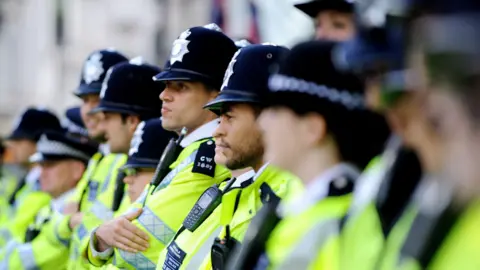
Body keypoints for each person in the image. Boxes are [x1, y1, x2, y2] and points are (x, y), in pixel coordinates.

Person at [85, 24, 236, 269]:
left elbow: (135, 252)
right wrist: (100, 236)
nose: (163, 96)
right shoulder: (184, 148)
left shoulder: (210, 157)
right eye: (166, 85)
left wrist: (99, 239)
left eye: (181, 87)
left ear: (215, 95)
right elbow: (117, 233)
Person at [230, 41, 388, 270]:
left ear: (312, 129)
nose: (262, 123)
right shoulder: (310, 208)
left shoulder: (339, 225)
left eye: (274, 111)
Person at [154, 44, 302, 270]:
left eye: (230, 118)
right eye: (219, 117)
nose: (217, 131)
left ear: (269, 119)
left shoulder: (287, 201)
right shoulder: (234, 191)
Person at [67, 58, 164, 269]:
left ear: (132, 121)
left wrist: (92, 232)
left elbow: (128, 252)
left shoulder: (153, 165)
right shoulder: (116, 161)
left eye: (107, 114)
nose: (99, 119)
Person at [0, 129, 98, 269]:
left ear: (77, 169)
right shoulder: (48, 206)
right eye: (41, 165)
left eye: (50, 165)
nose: (42, 172)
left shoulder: (79, 209)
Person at [0, 108, 63, 245]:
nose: (12, 145)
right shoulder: (28, 181)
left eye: (19, 139)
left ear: (39, 141)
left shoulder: (45, 185)